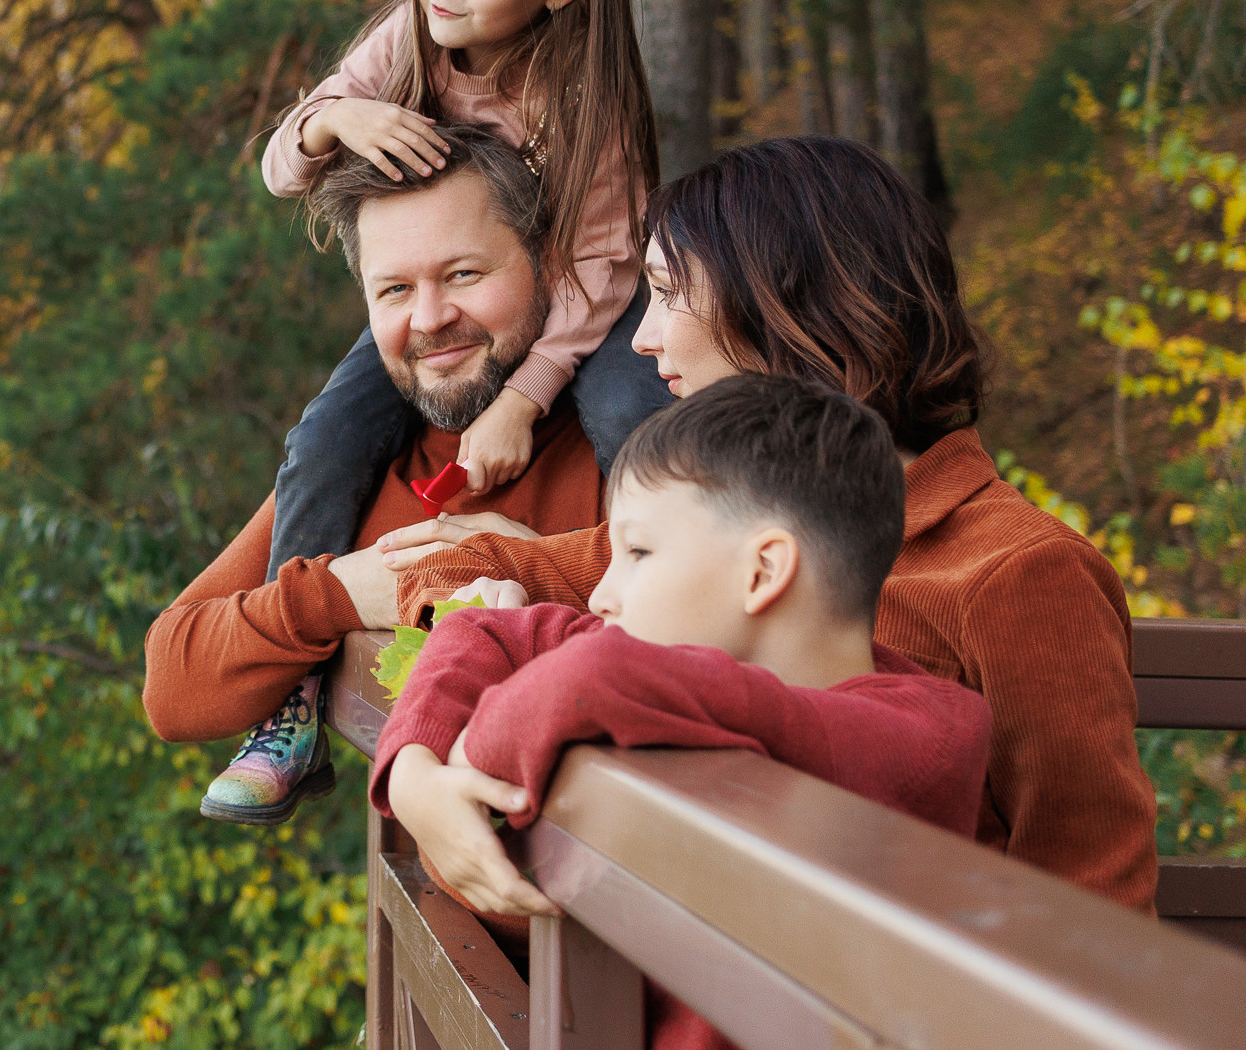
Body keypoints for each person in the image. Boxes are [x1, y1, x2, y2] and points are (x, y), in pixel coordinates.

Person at [377, 136, 1159, 911]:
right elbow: (440, 570)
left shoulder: (1019, 572)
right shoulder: (710, 528)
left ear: (788, 301)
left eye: (668, 293)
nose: (643, 339)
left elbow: (1097, 898)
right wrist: (414, 769)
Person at [222, 0, 670, 820]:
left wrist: (521, 397)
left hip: (573, 309)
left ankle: (669, 630)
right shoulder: (412, 38)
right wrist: (330, 118)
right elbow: (278, 167)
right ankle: (293, 696)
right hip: (461, 296)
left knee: (636, 418)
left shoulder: (585, 97)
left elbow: (598, 273)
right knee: (326, 437)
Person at [373, 373, 993, 1050]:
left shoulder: (923, 735)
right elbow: (481, 631)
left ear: (762, 572)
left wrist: (469, 755)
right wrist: (414, 774)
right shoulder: (689, 672)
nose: (602, 596)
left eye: (637, 552)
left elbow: (590, 676)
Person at [144, 126, 611, 823]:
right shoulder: (359, 467)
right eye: (394, 289)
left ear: (548, 265)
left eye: (464, 274)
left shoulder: (626, 450)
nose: (430, 318)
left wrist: (515, 563)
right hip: (444, 919)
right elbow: (172, 686)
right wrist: (336, 594)